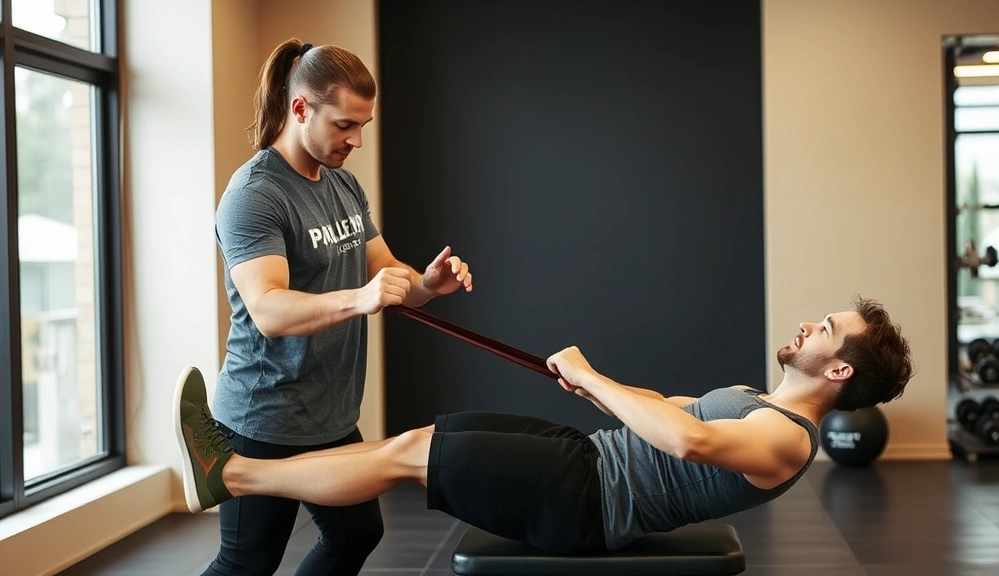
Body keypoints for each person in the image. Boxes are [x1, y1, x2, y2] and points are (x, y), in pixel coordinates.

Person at [175, 295, 914, 555]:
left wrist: (594, 377)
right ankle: (240, 474)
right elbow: (664, 407)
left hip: (585, 504)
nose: (807, 325)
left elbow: (687, 439)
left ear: (840, 370)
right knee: (417, 441)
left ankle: (232, 474)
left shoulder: (787, 439)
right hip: (589, 461)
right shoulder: (761, 398)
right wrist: (593, 390)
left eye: (823, 328)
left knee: (407, 454)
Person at [203, 38, 473, 576]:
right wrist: (360, 299)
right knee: (247, 563)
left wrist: (426, 284)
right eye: (344, 125)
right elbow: (269, 310)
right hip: (266, 417)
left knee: (356, 534)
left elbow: (387, 278)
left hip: (328, 414)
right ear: (300, 108)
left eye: (362, 127)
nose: (355, 140)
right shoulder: (255, 193)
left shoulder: (343, 186)